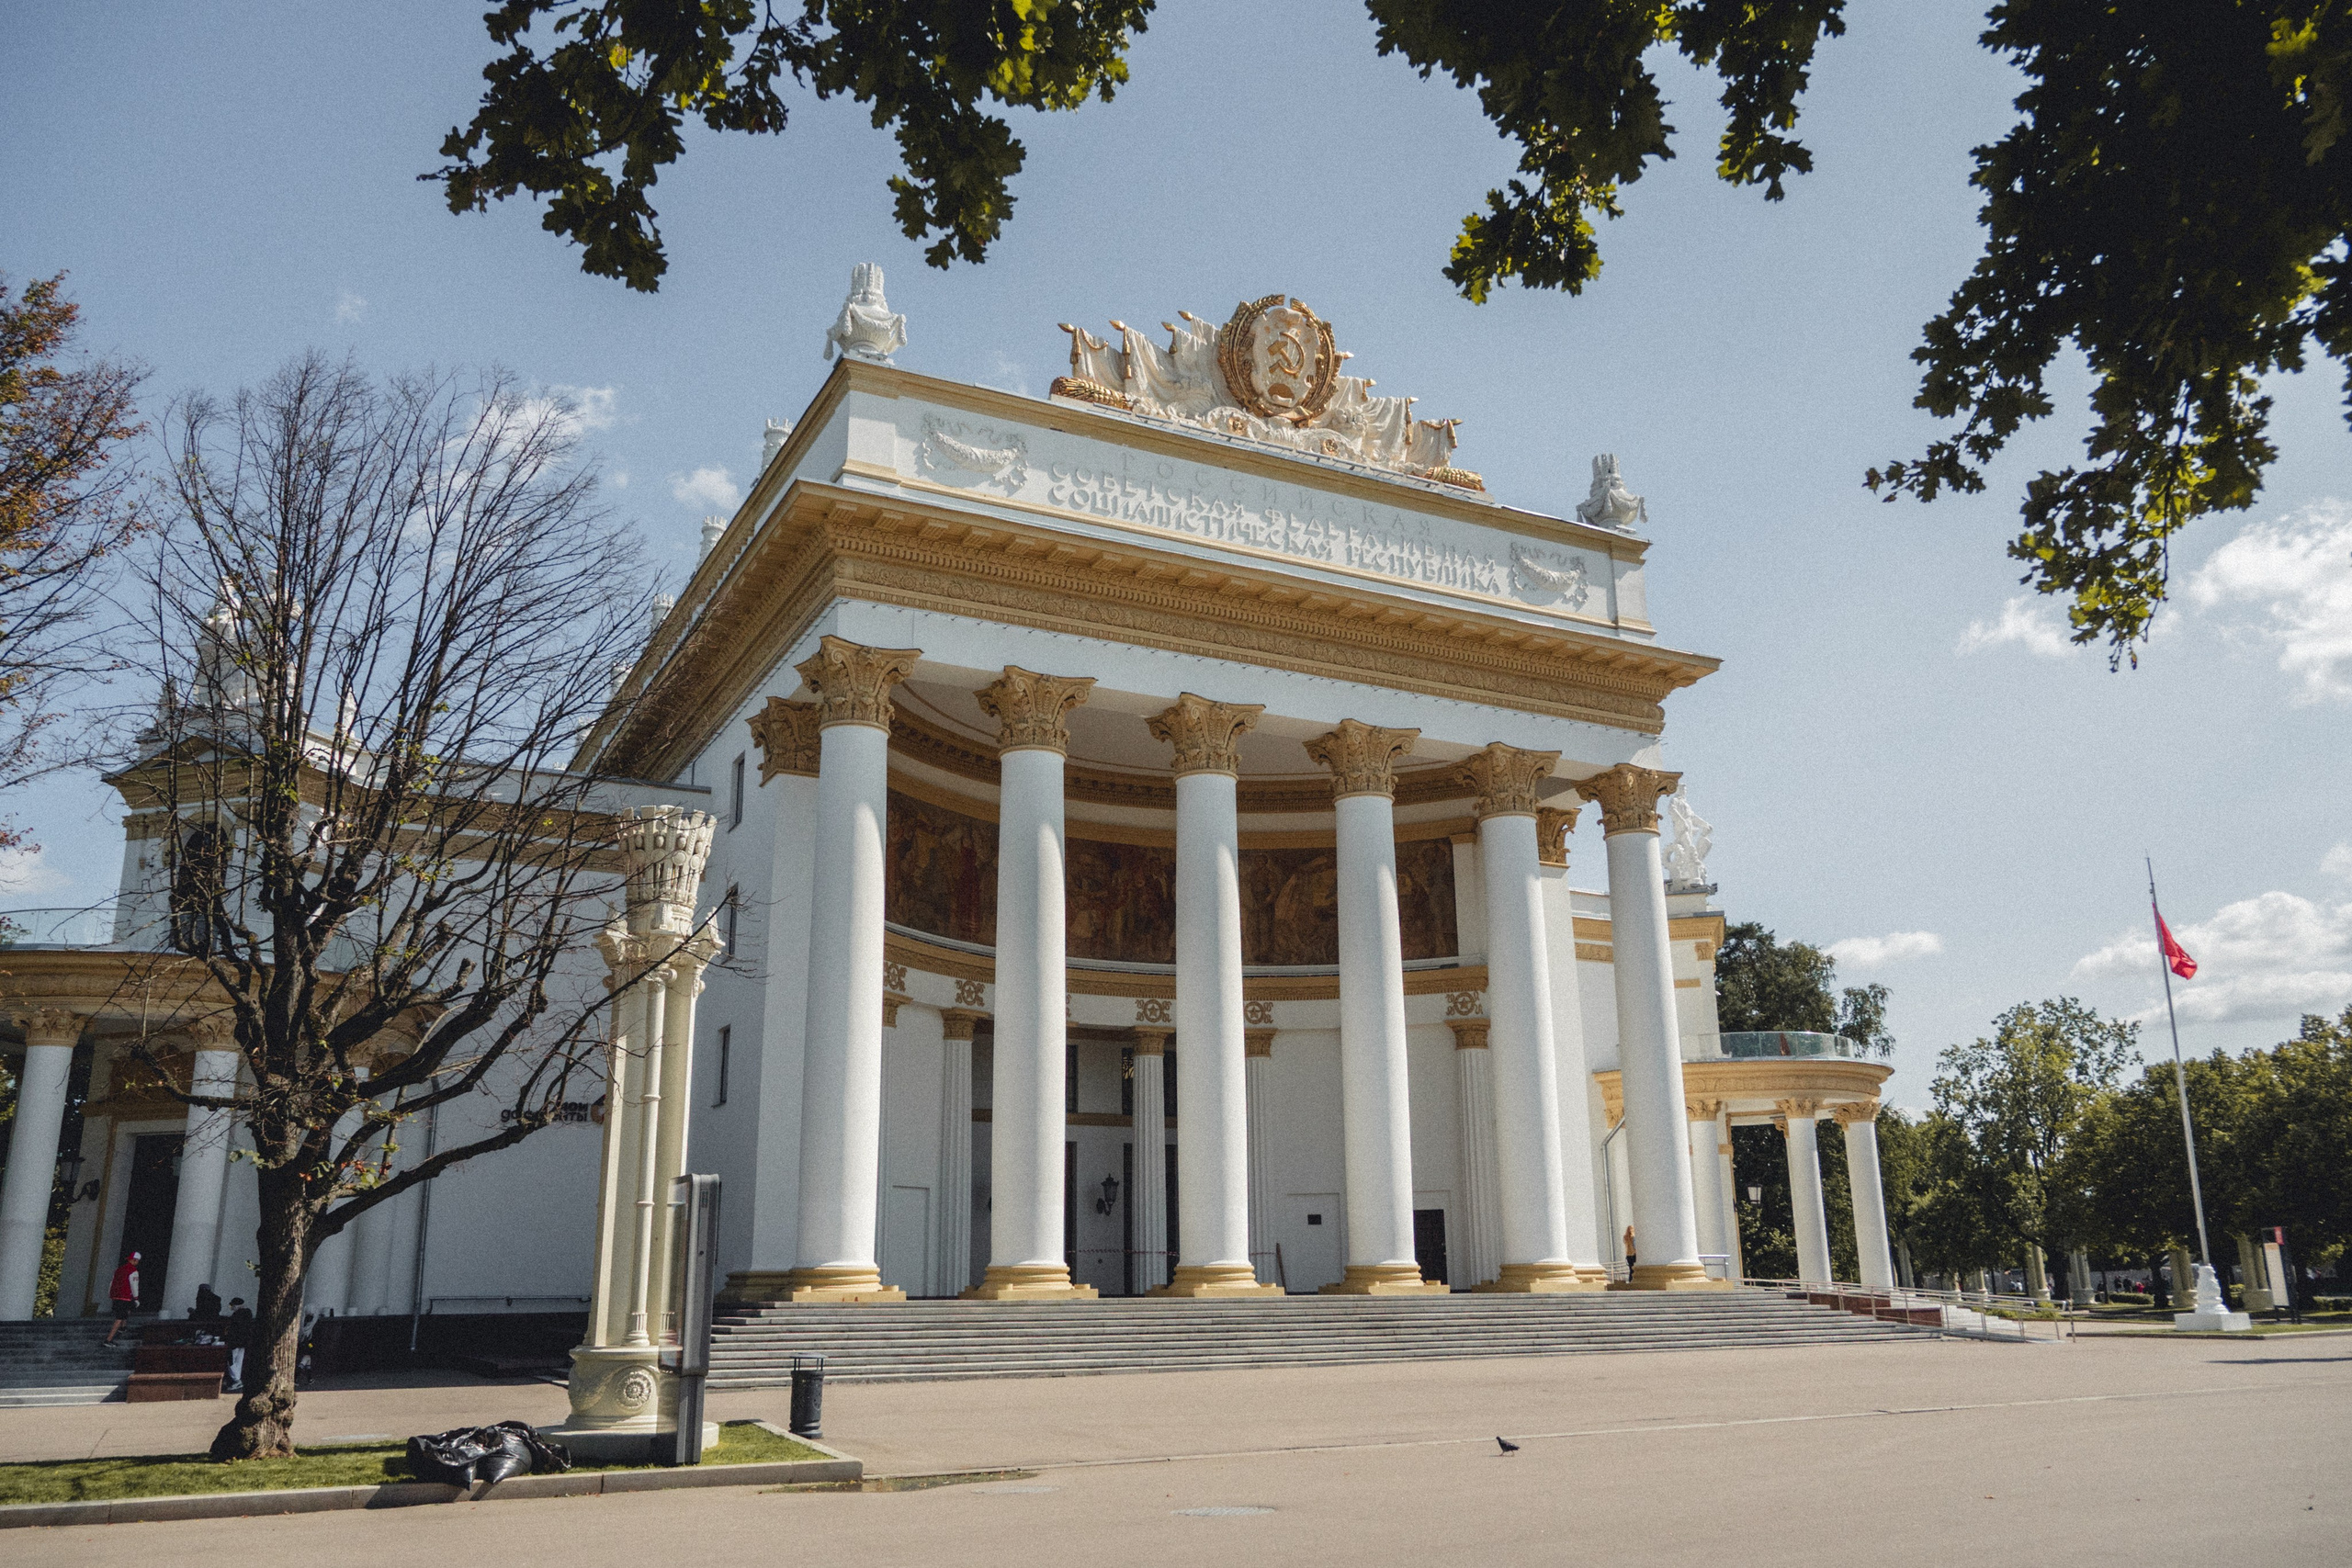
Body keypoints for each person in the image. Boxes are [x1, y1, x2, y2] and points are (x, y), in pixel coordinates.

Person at [103, 1252, 140, 1344]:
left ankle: (123, 1327)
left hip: (116, 1296)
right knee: (119, 1317)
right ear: (136, 1260)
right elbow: (134, 1285)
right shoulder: (133, 1271)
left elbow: (112, 1282)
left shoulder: (118, 1270)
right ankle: (108, 1340)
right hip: (125, 1297)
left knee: (126, 1310)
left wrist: (110, 1294)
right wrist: (136, 1297)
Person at [223, 1297, 253, 1391]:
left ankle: (236, 1379)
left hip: (235, 1341)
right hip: (244, 1342)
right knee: (239, 1361)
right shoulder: (248, 1314)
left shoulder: (236, 1316)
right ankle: (237, 1378)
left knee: (231, 1361)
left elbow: (232, 1329)